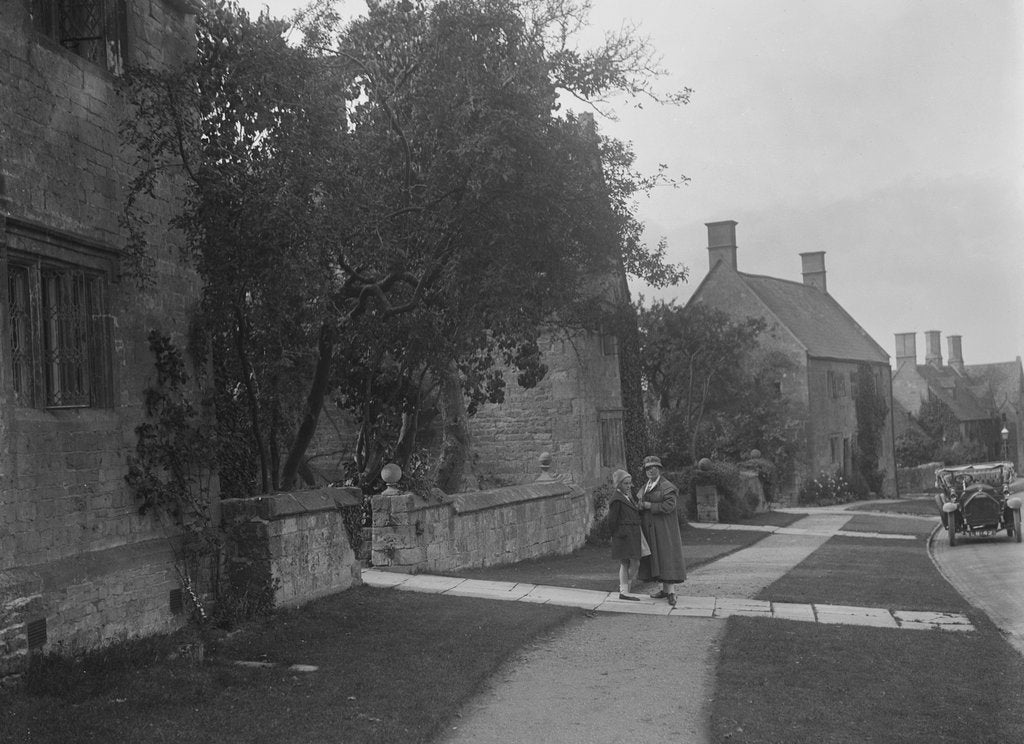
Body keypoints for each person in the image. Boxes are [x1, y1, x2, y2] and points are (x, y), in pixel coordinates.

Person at [636, 455, 686, 606]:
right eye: (647, 468)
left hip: (665, 529)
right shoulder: (646, 486)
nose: (650, 470)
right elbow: (640, 501)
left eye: (653, 468)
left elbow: (669, 506)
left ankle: (671, 592)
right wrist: (639, 506)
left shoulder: (667, 487)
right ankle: (664, 590)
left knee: (666, 556)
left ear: (659, 469)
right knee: (657, 558)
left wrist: (649, 506)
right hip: (651, 529)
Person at [607, 469, 646, 600]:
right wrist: (617, 535)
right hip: (624, 535)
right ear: (619, 484)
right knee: (626, 562)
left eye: (630, 483)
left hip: (632, 533)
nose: (629, 486)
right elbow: (612, 521)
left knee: (635, 563)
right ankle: (624, 591)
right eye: (625, 483)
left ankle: (625, 590)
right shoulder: (616, 500)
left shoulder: (627, 497)